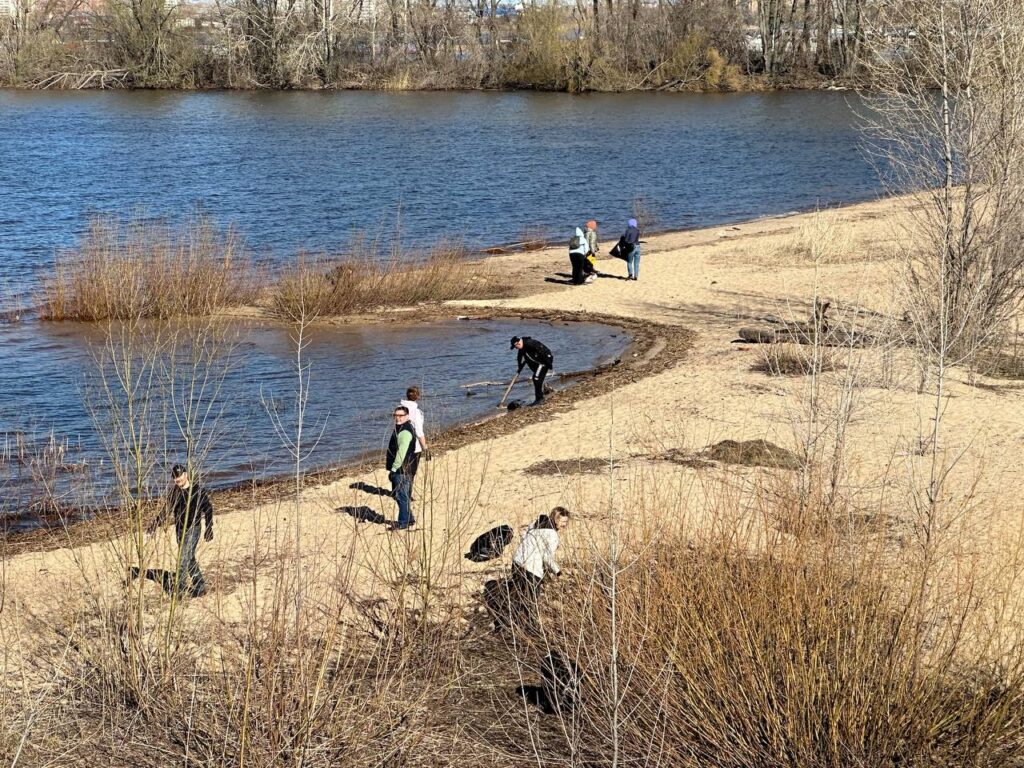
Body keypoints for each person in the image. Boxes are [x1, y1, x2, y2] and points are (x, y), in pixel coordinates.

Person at [147, 464, 214, 598]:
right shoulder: (175, 492)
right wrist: (154, 525)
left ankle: (179, 591)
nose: (178, 480)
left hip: (193, 529)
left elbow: (208, 509)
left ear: (186, 474)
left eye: (179, 477)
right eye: (175, 478)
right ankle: (200, 586)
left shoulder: (197, 490)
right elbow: (166, 510)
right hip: (179, 530)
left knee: (183, 560)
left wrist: (209, 527)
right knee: (189, 558)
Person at [509, 507, 571, 614]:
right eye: (562, 521)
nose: (564, 524)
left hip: (517, 563)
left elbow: (523, 536)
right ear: (555, 519)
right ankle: (530, 627)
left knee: (517, 598)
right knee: (531, 603)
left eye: (566, 521)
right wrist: (558, 572)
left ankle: (511, 623)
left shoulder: (534, 524)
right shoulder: (552, 535)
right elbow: (547, 557)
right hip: (531, 569)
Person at [386, 405, 417, 530]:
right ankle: (409, 518)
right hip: (406, 468)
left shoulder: (404, 432)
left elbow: (401, 452)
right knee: (402, 496)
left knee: (401, 496)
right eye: (396, 415)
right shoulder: (403, 428)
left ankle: (403, 522)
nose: (398, 418)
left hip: (402, 469)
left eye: (401, 416)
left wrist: (393, 469)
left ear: (407, 416)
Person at [400, 386, 427, 496]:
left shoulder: (399, 408)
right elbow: (419, 432)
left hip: (401, 443)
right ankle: (407, 494)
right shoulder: (416, 412)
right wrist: (425, 447)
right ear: (418, 397)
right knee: (411, 471)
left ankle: (400, 490)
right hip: (414, 446)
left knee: (402, 469)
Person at [511, 335, 553, 405]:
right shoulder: (522, 348)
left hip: (543, 362)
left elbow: (543, 350)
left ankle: (540, 399)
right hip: (539, 364)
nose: (516, 348)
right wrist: (519, 366)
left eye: (515, 347)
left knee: (536, 378)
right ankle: (540, 398)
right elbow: (519, 357)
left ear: (517, 343)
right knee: (537, 379)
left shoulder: (529, 343)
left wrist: (547, 362)